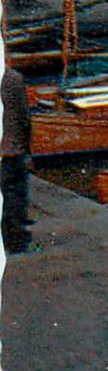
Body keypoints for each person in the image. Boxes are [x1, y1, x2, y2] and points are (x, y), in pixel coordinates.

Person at [2, 65, 34, 254]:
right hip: (11, 149)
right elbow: (24, 117)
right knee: (13, 195)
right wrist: (27, 148)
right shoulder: (14, 79)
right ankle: (14, 240)